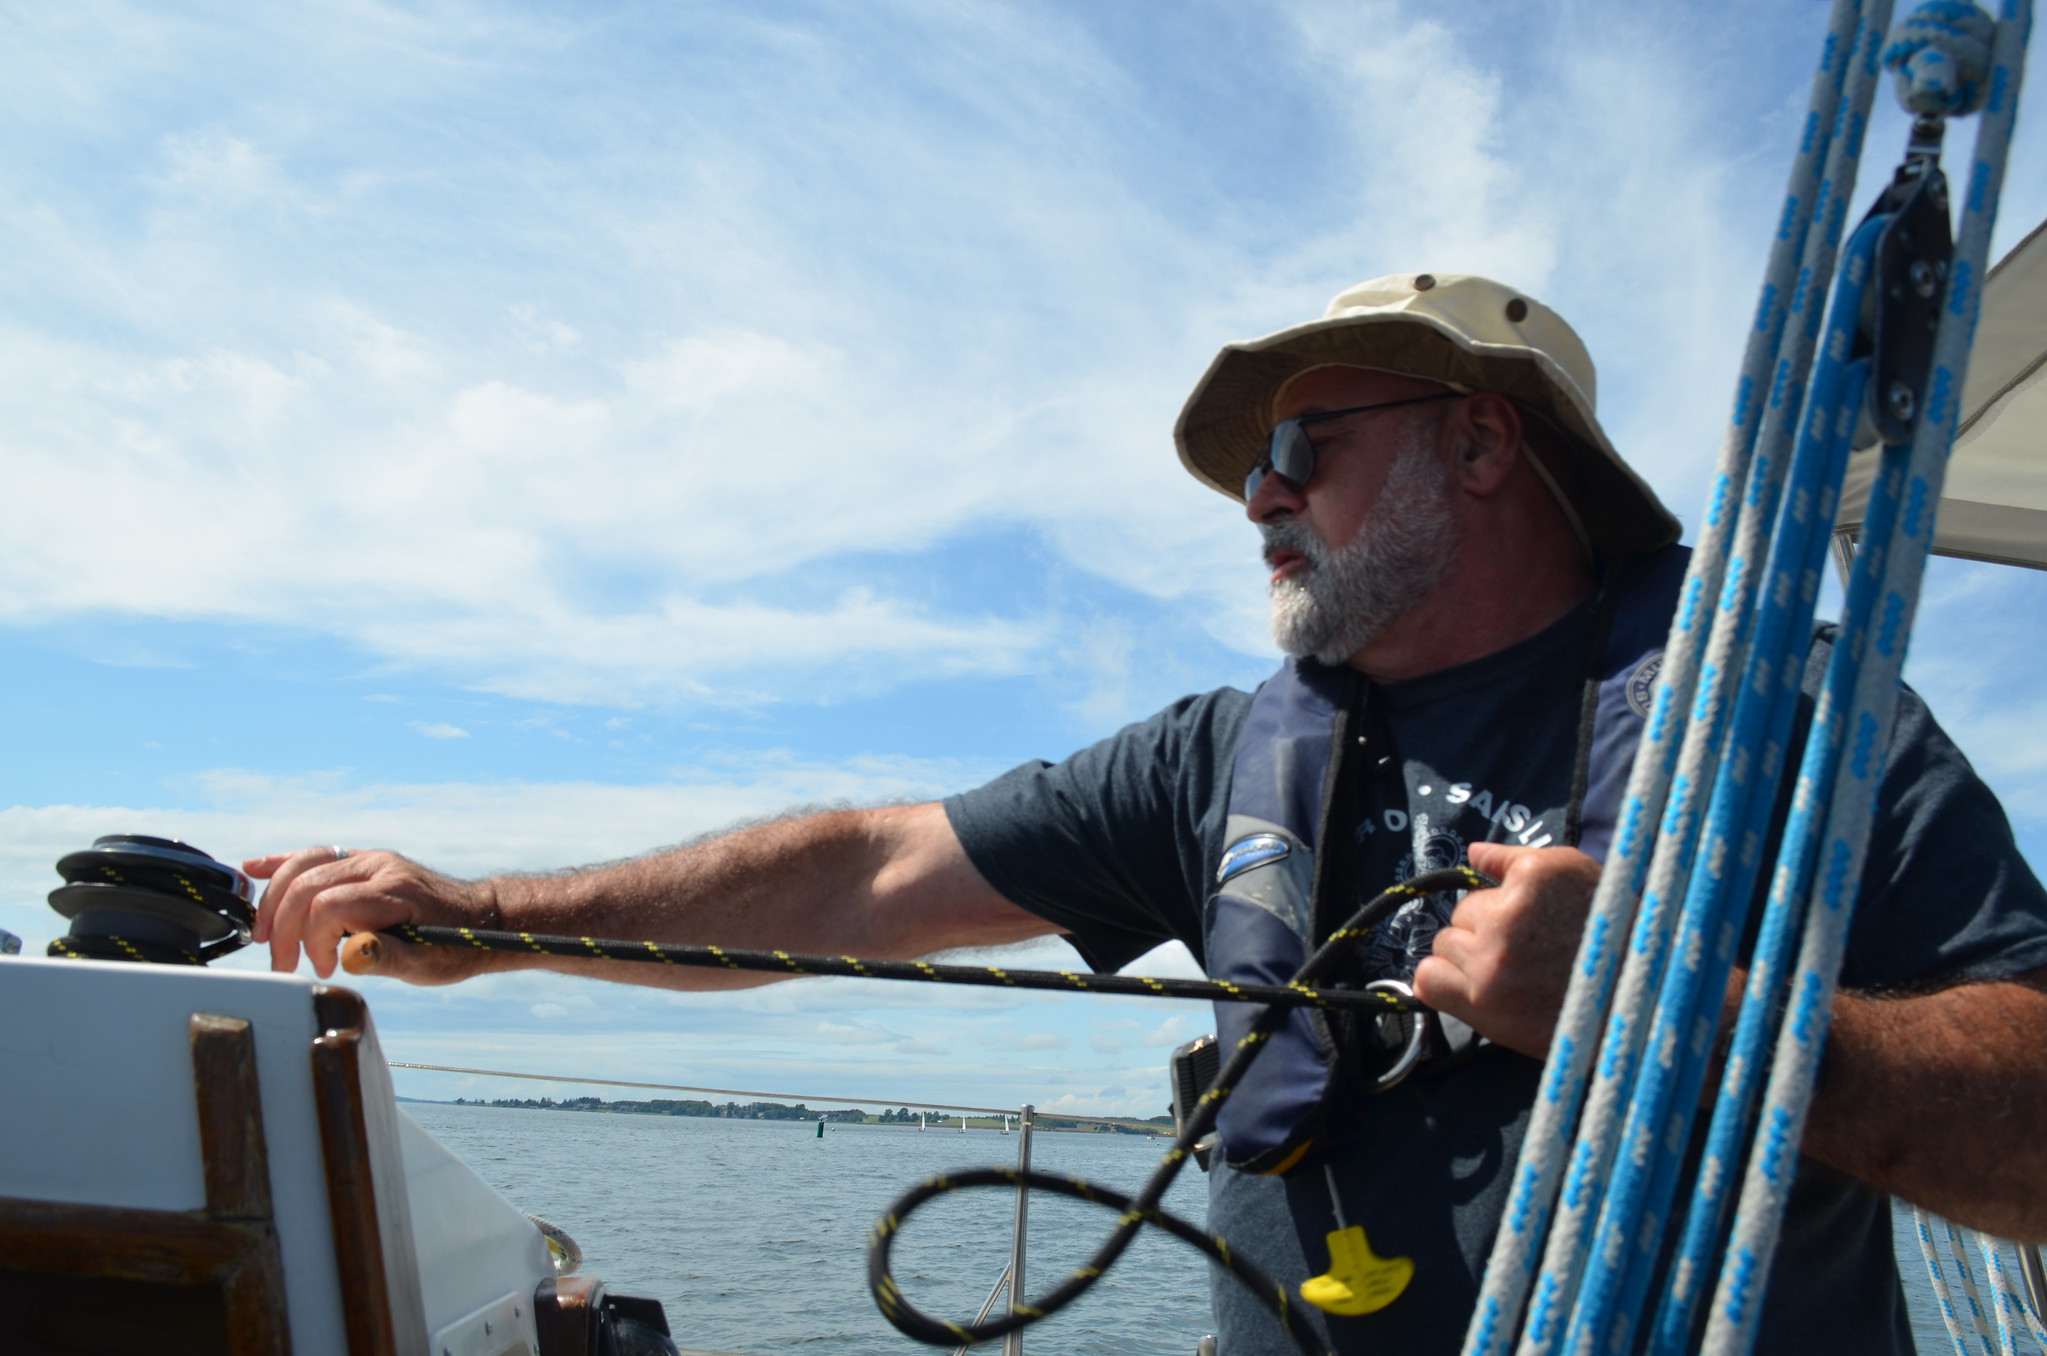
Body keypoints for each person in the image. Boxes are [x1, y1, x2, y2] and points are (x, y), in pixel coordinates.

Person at [253, 273, 2047, 1355]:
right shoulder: (1214, 759)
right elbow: (870, 871)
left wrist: (1685, 1018)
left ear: (1488, 445)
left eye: (1308, 445)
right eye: (1251, 466)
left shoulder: (1786, 720)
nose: (1258, 496)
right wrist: (490, 922)